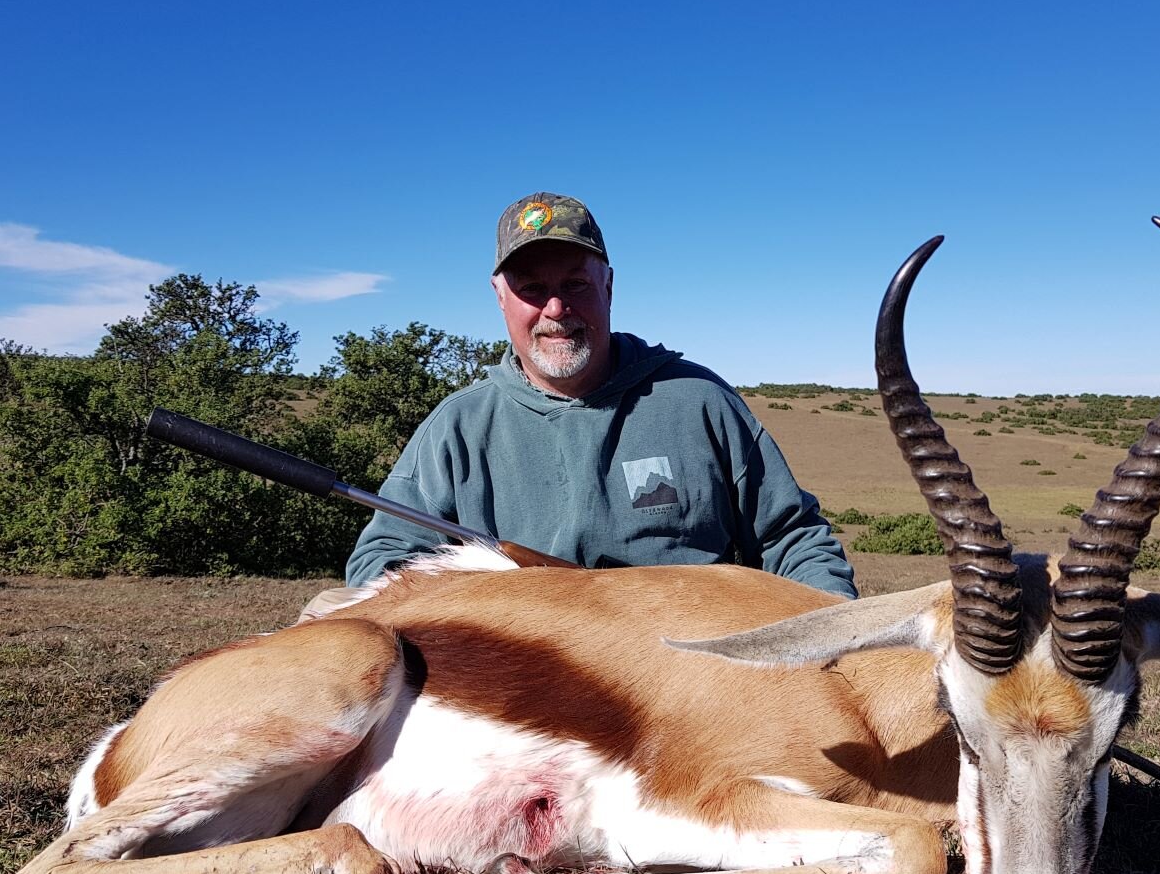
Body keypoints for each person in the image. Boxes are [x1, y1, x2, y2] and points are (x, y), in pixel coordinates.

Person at [340, 193, 856, 598]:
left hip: (693, 684)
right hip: (529, 687)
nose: (557, 308)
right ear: (500, 298)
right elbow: (380, 562)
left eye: (576, 284)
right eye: (532, 289)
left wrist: (835, 639)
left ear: (608, 287)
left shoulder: (699, 400)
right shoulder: (458, 427)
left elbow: (793, 540)